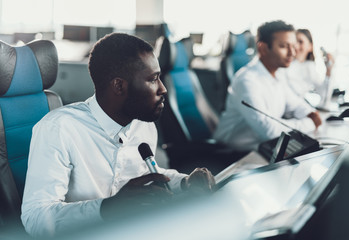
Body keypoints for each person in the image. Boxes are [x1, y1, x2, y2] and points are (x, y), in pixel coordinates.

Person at [21, 33, 215, 238]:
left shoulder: (143, 125)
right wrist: (108, 208)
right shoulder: (59, 128)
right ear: (119, 86)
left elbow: (147, 174)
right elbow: (36, 218)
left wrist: (185, 183)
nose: (163, 89)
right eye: (153, 79)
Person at [213, 20, 322, 151]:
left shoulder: (278, 74)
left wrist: (310, 113)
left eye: (293, 46)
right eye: (283, 46)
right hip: (233, 154)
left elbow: (295, 104)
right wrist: (310, 123)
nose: (292, 53)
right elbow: (270, 131)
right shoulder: (247, 81)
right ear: (263, 48)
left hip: (263, 148)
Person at [283, 29, 335, 101]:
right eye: (294, 42)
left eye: (300, 42)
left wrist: (328, 70)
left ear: (310, 46)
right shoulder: (283, 64)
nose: (296, 46)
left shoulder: (309, 67)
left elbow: (323, 94)